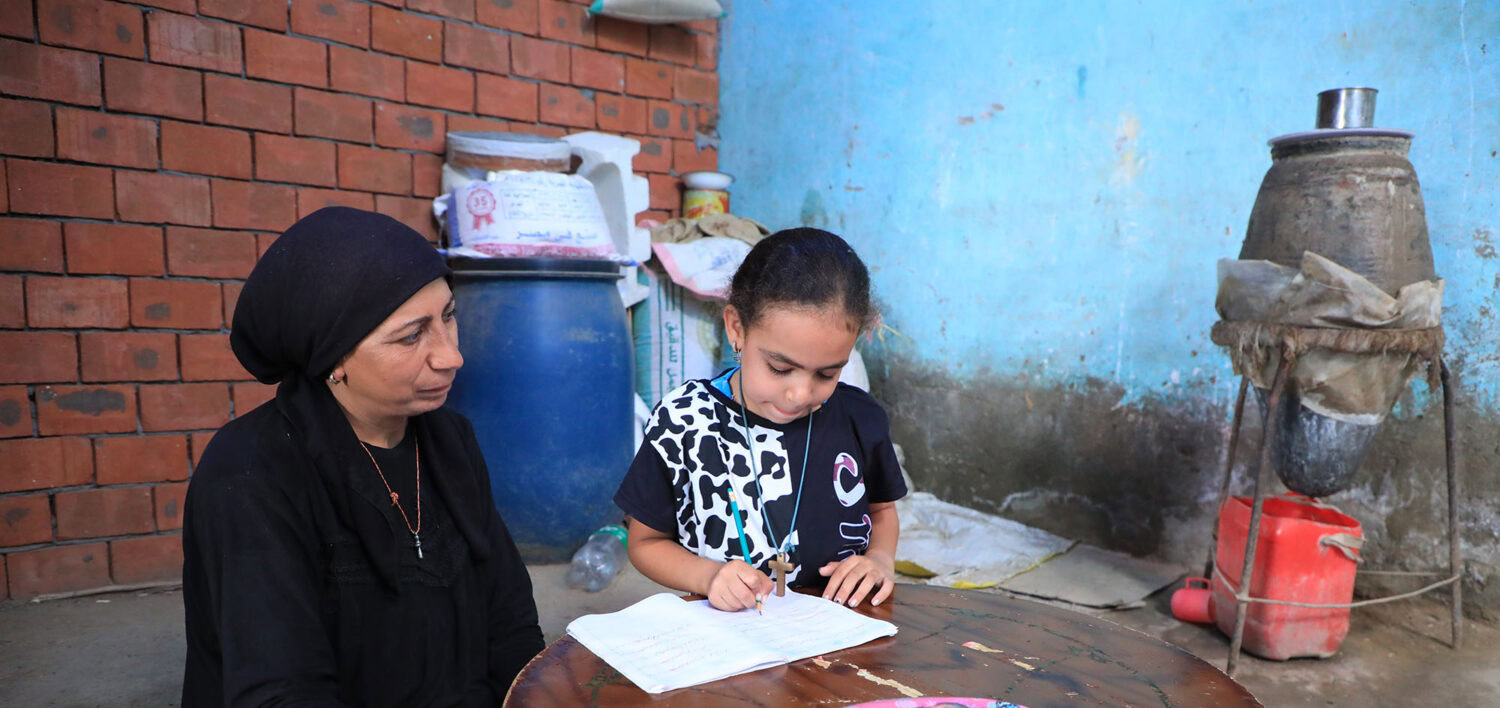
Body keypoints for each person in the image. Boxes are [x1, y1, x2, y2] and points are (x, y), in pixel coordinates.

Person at [181, 207, 544, 706]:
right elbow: (283, 691)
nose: (450, 356)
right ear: (333, 359)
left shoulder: (449, 441)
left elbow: (511, 625)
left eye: (449, 317)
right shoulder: (251, 477)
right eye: (411, 336)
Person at [615, 227, 907, 612]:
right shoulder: (685, 422)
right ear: (737, 329)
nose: (801, 394)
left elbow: (882, 511)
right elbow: (645, 544)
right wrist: (709, 577)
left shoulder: (859, 417)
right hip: (731, 638)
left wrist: (880, 559)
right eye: (780, 368)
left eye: (827, 374)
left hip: (839, 633)